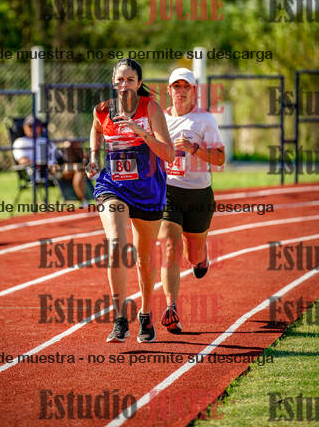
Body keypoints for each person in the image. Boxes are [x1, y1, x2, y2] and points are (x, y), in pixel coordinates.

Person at [86, 58, 174, 343]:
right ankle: (119, 319)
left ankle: (145, 314)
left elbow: (169, 154)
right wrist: (93, 155)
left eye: (130, 80)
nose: (124, 85)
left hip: (147, 190)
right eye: (120, 79)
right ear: (114, 82)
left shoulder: (151, 108)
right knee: (115, 245)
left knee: (144, 260)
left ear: (139, 83)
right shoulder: (102, 110)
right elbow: (96, 129)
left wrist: (141, 132)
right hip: (113, 186)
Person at [158, 68, 225, 333]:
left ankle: (201, 256)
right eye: (177, 86)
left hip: (198, 194)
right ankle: (171, 308)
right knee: (170, 248)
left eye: (186, 86)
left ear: (194, 90)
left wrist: (193, 148)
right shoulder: (159, 118)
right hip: (168, 192)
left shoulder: (204, 119)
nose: (181, 91)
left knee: (192, 254)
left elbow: (220, 158)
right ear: (169, 90)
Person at [12, 116, 87, 206]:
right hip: (40, 172)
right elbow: (22, 161)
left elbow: (59, 155)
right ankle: (84, 201)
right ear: (24, 127)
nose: (33, 129)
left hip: (56, 168)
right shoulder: (20, 142)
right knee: (79, 168)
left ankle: (84, 200)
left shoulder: (45, 140)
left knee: (79, 164)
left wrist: (68, 148)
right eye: (30, 126)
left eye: (36, 126)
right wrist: (43, 165)